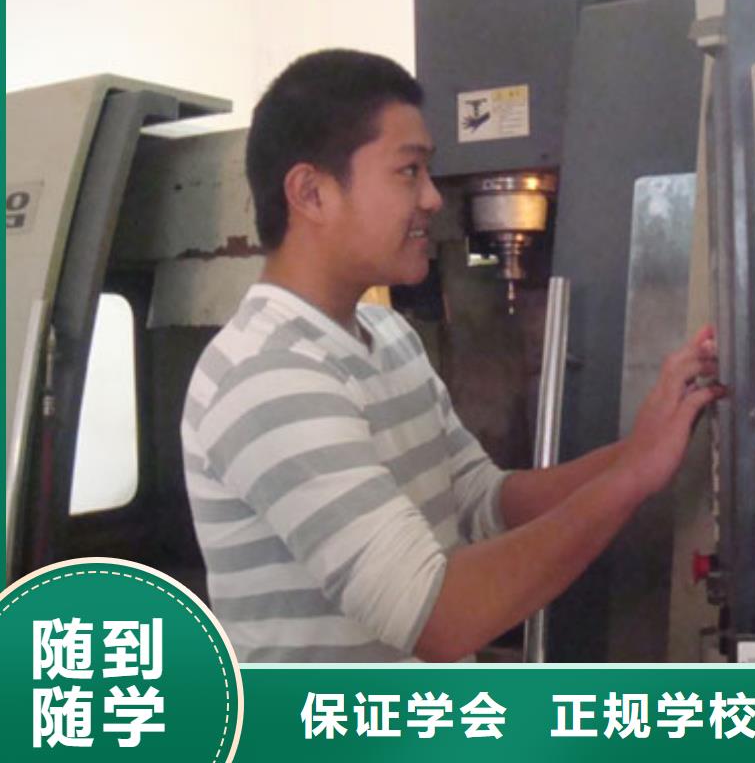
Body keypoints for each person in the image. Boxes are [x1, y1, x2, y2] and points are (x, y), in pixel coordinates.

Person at [181, 49, 723, 663]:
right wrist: (632, 478)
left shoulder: (388, 336)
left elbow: (484, 502)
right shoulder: (268, 374)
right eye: (408, 171)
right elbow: (438, 616)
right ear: (311, 193)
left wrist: (644, 445)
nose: (433, 198)